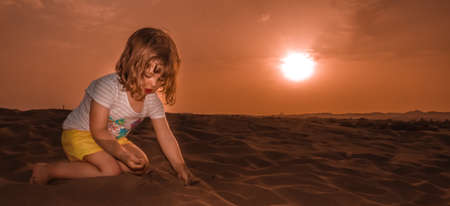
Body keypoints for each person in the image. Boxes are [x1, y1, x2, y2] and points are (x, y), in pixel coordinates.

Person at [30, 27, 196, 185]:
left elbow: (165, 135)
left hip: (114, 138)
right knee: (111, 170)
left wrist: (180, 167)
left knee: (141, 165)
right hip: (80, 134)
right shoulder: (108, 87)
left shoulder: (152, 101)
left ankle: (106, 162)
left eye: (161, 79)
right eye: (148, 75)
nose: (153, 84)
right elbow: (99, 131)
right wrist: (122, 155)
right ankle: (49, 170)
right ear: (132, 63)